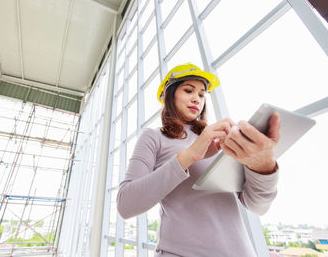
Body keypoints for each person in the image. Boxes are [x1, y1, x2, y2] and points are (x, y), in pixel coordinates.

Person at [116, 63, 281, 257]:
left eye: (202, 94)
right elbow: (126, 204)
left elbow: (257, 205)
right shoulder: (154, 137)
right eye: (188, 90)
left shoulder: (219, 140)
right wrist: (189, 156)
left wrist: (263, 167)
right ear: (169, 95)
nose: (197, 98)